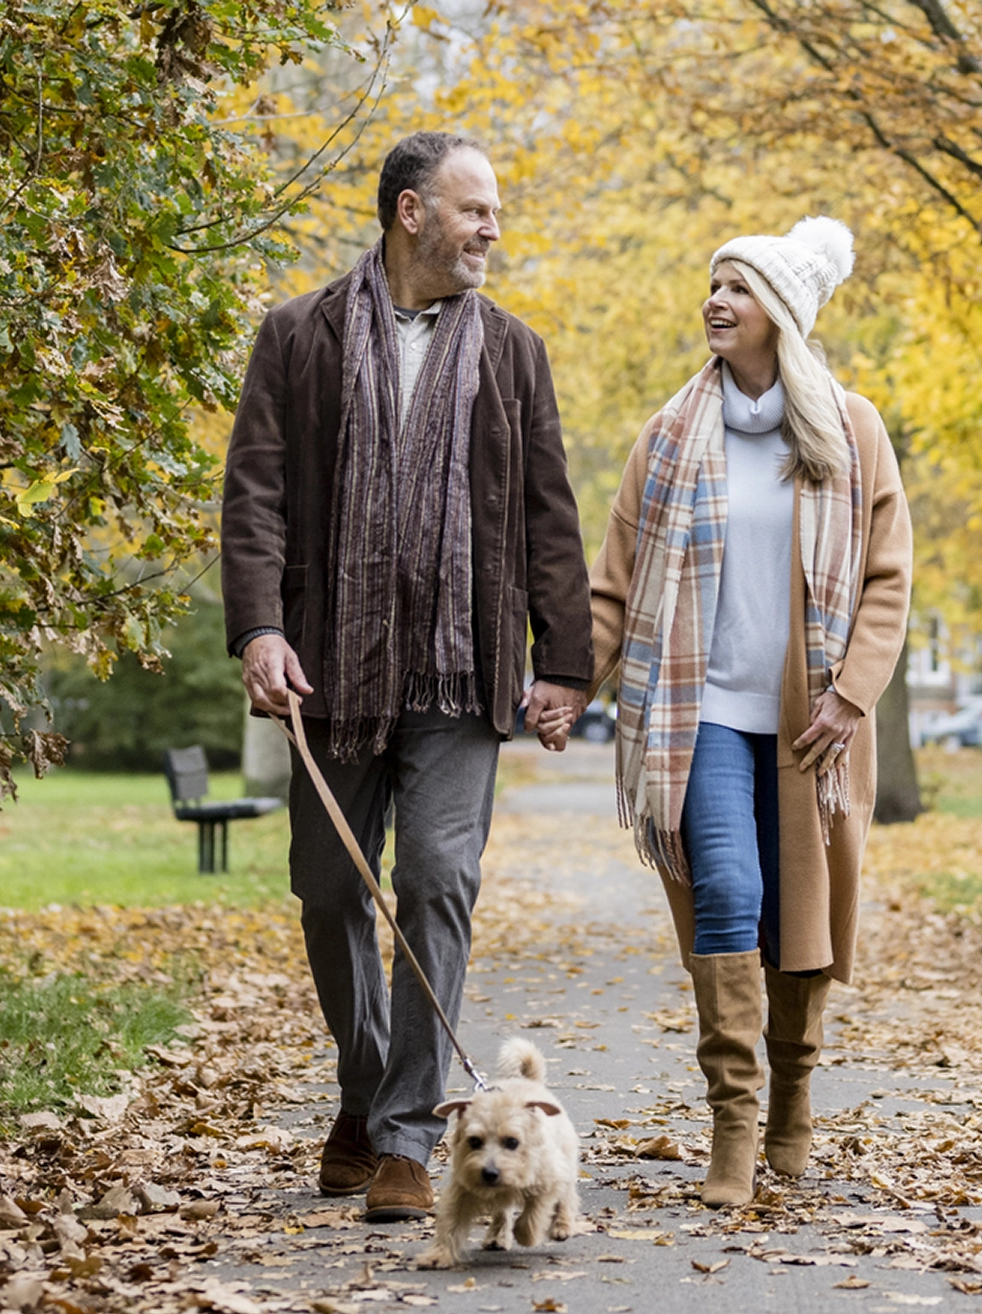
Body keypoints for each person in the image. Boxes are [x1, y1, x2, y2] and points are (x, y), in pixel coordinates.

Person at [220, 132, 593, 1222]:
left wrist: (562, 664)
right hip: (326, 673)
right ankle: (366, 1091)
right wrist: (257, 630)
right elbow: (254, 495)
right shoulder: (297, 337)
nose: (491, 231)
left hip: (459, 673)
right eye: (474, 210)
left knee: (434, 880)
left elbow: (546, 518)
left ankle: (396, 1136)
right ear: (408, 212)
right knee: (330, 889)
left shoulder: (513, 352)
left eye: (496, 215)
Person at [567, 217, 911, 1207]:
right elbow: (615, 587)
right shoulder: (669, 437)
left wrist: (851, 695)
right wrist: (563, 690)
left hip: (813, 723)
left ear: (782, 316)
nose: (714, 302)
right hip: (699, 713)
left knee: (797, 927)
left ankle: (793, 1094)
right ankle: (731, 1123)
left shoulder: (850, 428)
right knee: (726, 890)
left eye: (736, 288)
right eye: (710, 285)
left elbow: (886, 577)